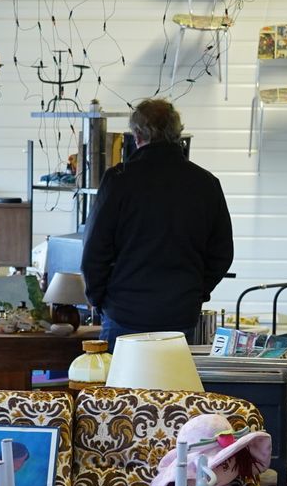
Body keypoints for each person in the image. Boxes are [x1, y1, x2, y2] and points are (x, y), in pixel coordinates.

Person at [82, 98, 234, 345]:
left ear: (137, 135)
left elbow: (94, 251)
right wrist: (196, 293)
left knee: (119, 384)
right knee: (173, 383)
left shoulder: (119, 181)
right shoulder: (206, 184)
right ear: (178, 133)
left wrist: (99, 298)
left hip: (124, 310)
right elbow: (222, 254)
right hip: (179, 312)